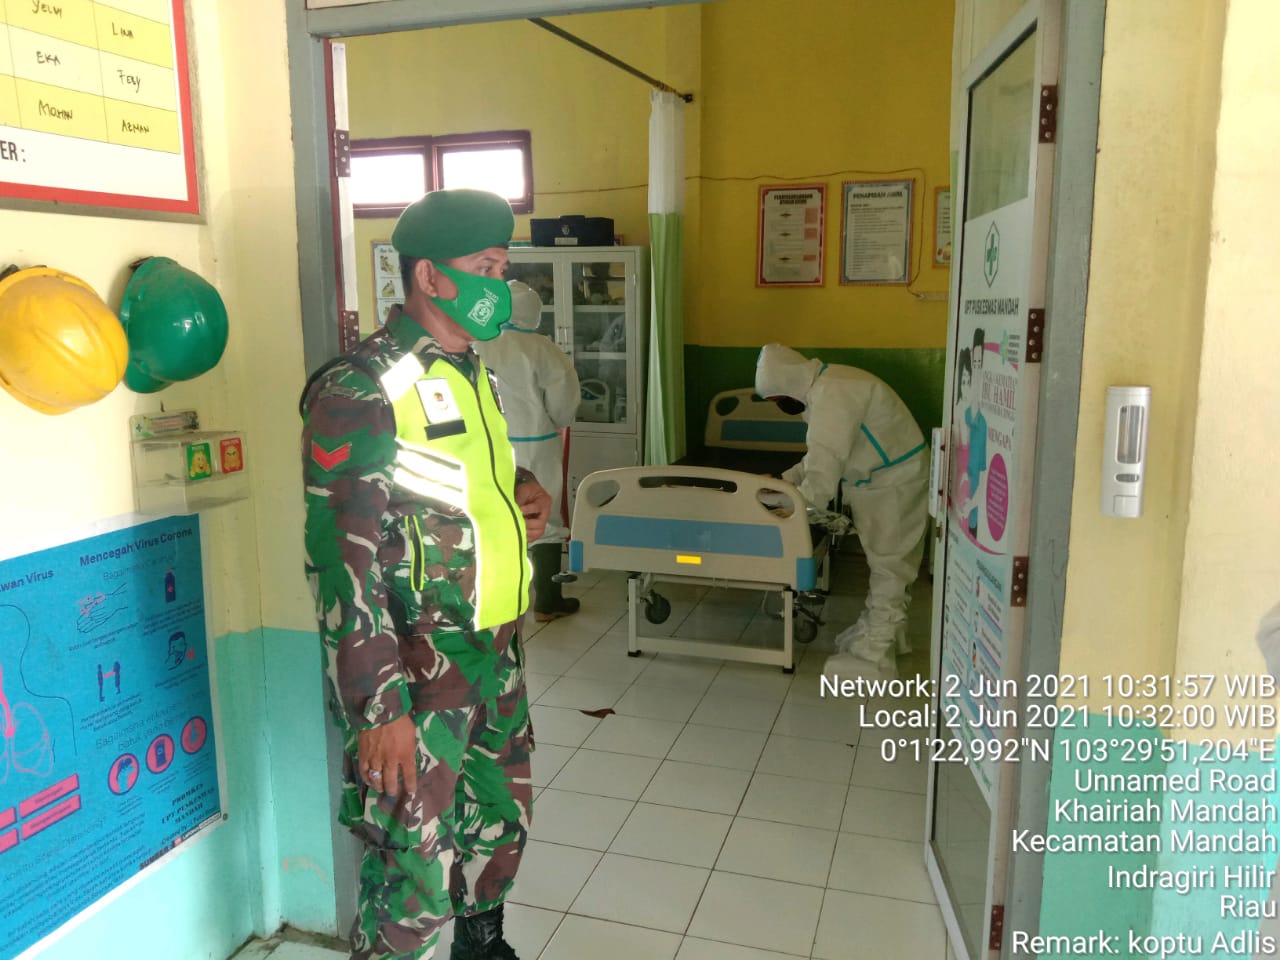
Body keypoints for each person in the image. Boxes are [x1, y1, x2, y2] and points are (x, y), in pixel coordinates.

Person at [300, 188, 552, 960]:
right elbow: (341, 562)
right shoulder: (362, 386)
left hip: (493, 655)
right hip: (415, 675)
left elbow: (458, 484)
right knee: (412, 872)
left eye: (504, 269)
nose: (499, 286)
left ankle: (482, 945)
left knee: (497, 825)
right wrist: (379, 710)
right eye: (485, 267)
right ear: (430, 277)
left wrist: (522, 491)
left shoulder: (476, 372)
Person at [755, 343, 929, 681]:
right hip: (883, 481)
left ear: (788, 383)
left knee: (890, 567)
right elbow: (815, 459)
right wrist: (781, 483)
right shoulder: (827, 385)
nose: (781, 406)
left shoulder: (834, 395)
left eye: (778, 400)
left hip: (893, 485)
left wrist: (791, 508)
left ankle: (876, 655)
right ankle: (887, 635)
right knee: (888, 565)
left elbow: (822, 474)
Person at [474, 281, 582, 621]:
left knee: (495, 515)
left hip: (487, 445)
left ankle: (499, 600)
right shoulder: (543, 349)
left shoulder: (475, 344)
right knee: (543, 517)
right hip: (536, 444)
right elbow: (563, 405)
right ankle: (547, 601)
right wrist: (555, 421)